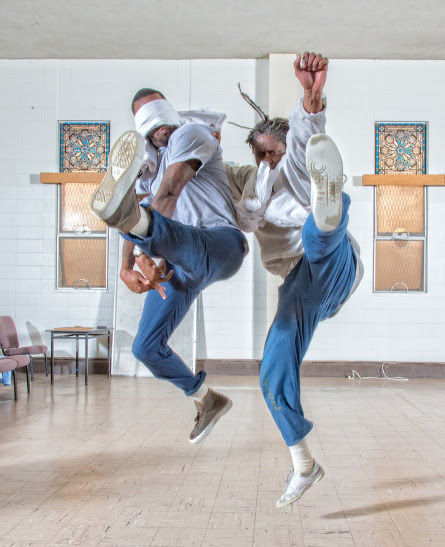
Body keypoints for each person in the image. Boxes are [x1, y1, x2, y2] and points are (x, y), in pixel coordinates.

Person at [225, 52, 363, 507]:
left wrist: (310, 98)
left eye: (273, 151)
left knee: (318, 226)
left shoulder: (296, 165)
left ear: (286, 149)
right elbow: (212, 178)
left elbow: (306, 139)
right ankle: (303, 464)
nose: (266, 158)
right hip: (298, 284)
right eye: (259, 152)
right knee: (271, 368)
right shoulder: (250, 180)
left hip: (332, 261)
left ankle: (331, 206)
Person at [90, 89, 248, 444]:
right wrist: (126, 265)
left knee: (147, 215)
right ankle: (206, 399)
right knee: (145, 347)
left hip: (220, 244)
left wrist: (142, 250)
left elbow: (170, 193)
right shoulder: (152, 167)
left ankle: (127, 216)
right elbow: (155, 198)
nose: (159, 127)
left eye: (160, 115)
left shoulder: (191, 136)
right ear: (142, 131)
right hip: (180, 259)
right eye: (149, 122)